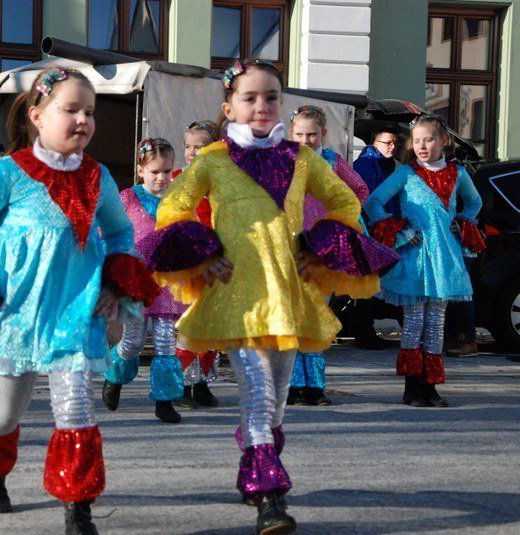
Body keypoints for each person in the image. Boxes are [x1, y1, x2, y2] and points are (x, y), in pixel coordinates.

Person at [150, 59, 398, 534]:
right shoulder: (213, 159)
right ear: (229, 108)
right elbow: (175, 206)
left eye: (271, 97)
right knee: (259, 394)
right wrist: (204, 254)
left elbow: (345, 200)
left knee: (277, 401)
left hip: (287, 293)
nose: (261, 105)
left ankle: (254, 463)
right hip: (238, 297)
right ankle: (270, 496)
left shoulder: (302, 158)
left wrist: (318, 248)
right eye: (250, 98)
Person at [0, 67, 159, 534]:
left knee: (76, 410)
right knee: (5, 412)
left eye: (90, 112)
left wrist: (115, 284)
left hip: (75, 312)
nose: (83, 120)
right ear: (37, 116)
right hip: (19, 314)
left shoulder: (98, 176)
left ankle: (78, 505)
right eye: (71, 110)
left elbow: (120, 231)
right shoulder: (11, 171)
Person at [364, 113, 484, 408]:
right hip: (415, 258)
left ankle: (430, 387)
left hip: (444, 257)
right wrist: (399, 230)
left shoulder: (458, 174)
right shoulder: (406, 173)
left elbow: (475, 201)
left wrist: (463, 222)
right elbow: (374, 201)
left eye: (428, 139)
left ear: (444, 141)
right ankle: (412, 388)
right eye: (416, 140)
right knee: (415, 321)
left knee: (436, 323)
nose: (421, 145)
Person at [287, 105, 370, 406]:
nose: (305, 140)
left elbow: (359, 190)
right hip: (291, 246)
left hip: (322, 249)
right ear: (291, 133)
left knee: (317, 314)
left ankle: (315, 386)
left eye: (311, 134)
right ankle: (293, 385)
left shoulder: (332, 162)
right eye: (300, 134)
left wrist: (339, 218)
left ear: (323, 133)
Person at [101, 137, 185, 424]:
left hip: (166, 283)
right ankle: (114, 377)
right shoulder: (127, 198)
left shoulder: (179, 200)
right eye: (154, 172)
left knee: (165, 342)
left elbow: (191, 232)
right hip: (135, 282)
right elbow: (108, 228)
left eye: (167, 171)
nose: (161, 178)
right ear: (140, 171)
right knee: (133, 342)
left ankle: (165, 400)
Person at [172, 121, 222, 409]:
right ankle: (180, 384)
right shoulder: (176, 178)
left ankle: (202, 382)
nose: (192, 152)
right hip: (187, 262)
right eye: (188, 147)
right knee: (190, 324)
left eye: (199, 147)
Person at [350, 125, 403, 349]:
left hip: (386, 228)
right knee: (368, 281)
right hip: (370, 230)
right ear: (375, 143)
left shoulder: (389, 165)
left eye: (394, 143)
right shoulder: (366, 164)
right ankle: (364, 331)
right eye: (387, 143)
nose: (391, 147)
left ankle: (366, 329)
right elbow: (366, 198)